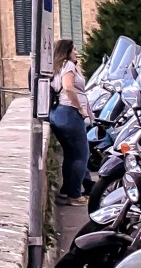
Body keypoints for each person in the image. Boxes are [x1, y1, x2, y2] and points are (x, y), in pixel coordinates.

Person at [48, 38, 94, 205]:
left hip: (59, 113)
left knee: (70, 155)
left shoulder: (57, 66)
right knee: (81, 155)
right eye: (74, 50)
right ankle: (74, 196)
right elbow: (68, 87)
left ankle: (68, 191)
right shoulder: (68, 65)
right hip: (69, 113)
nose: (77, 53)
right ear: (66, 52)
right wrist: (80, 109)